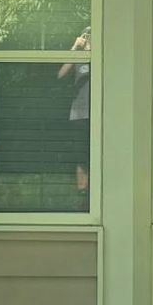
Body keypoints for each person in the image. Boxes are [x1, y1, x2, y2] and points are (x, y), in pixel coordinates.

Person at [57, 29, 91, 197]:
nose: (89, 40)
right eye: (87, 36)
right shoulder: (78, 58)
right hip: (80, 113)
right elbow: (61, 74)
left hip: (101, 113)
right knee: (81, 154)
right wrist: (75, 48)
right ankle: (82, 191)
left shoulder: (104, 56)